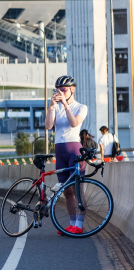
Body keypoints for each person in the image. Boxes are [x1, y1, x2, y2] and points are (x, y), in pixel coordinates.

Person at [44, 75, 88, 234]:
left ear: (72, 90)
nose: (60, 92)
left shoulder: (80, 107)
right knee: (67, 191)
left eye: (63, 89)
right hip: (60, 151)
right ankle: (71, 224)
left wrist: (65, 105)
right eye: (57, 90)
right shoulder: (56, 107)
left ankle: (79, 225)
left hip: (74, 150)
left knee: (77, 190)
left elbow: (74, 123)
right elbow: (48, 126)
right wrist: (50, 107)